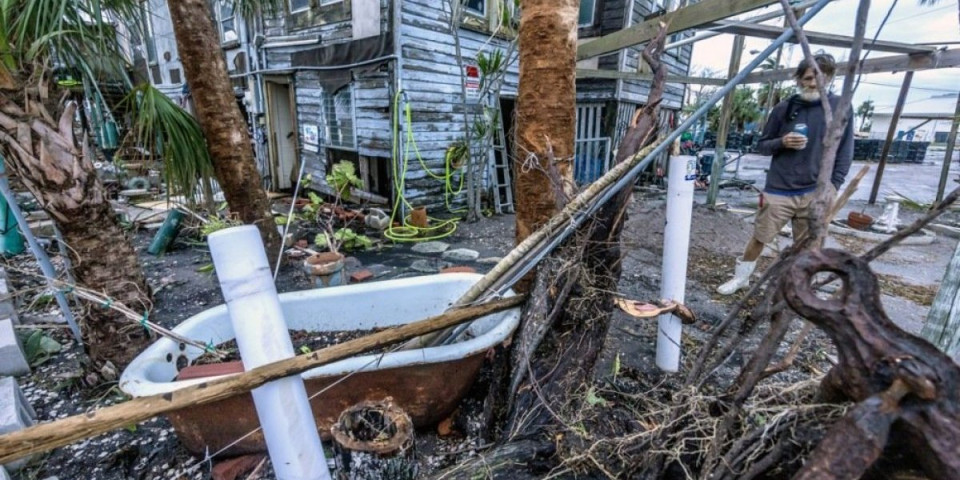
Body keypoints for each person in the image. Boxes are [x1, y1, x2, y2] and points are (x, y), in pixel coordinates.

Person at [717, 53, 853, 295]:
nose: (813, 84)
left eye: (820, 79)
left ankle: (799, 288)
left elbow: (846, 150)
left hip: (816, 190)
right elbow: (762, 145)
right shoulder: (785, 108)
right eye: (808, 78)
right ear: (798, 78)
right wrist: (782, 142)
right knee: (760, 237)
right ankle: (741, 279)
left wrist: (834, 185)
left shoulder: (840, 108)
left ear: (830, 78)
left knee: (808, 245)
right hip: (780, 188)